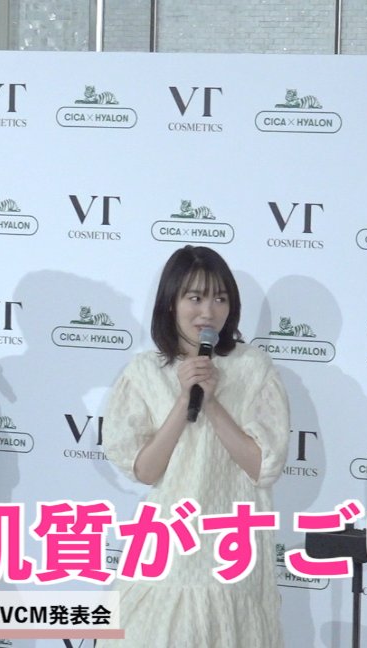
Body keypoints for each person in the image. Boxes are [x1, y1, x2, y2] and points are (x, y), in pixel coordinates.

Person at [100, 245, 290, 647]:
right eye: (195, 297)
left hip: (231, 546)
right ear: (171, 302)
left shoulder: (252, 368)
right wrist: (185, 398)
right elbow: (145, 470)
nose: (208, 311)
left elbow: (262, 467)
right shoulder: (146, 372)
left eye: (220, 299)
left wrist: (213, 402)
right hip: (168, 543)